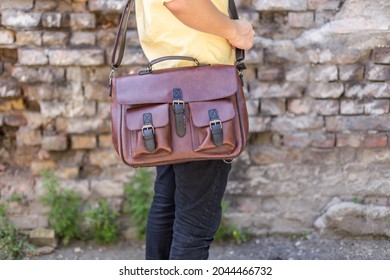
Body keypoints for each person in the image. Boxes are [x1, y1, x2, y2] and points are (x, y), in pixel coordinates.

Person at [134, 0, 255, 260]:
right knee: (194, 224)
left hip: (166, 85)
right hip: (204, 91)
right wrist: (234, 30)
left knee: (168, 203)